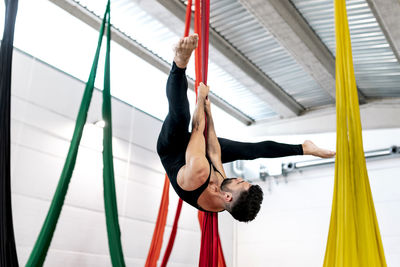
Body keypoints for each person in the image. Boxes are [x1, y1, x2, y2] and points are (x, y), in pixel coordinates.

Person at [156, 34, 335, 222]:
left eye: (240, 182)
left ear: (227, 197)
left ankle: (179, 61)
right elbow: (215, 152)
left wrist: (200, 100)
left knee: (181, 116)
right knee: (249, 150)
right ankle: (303, 148)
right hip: (199, 154)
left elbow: (197, 128)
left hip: (174, 149)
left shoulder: (199, 174)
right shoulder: (226, 196)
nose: (237, 178)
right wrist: (209, 113)